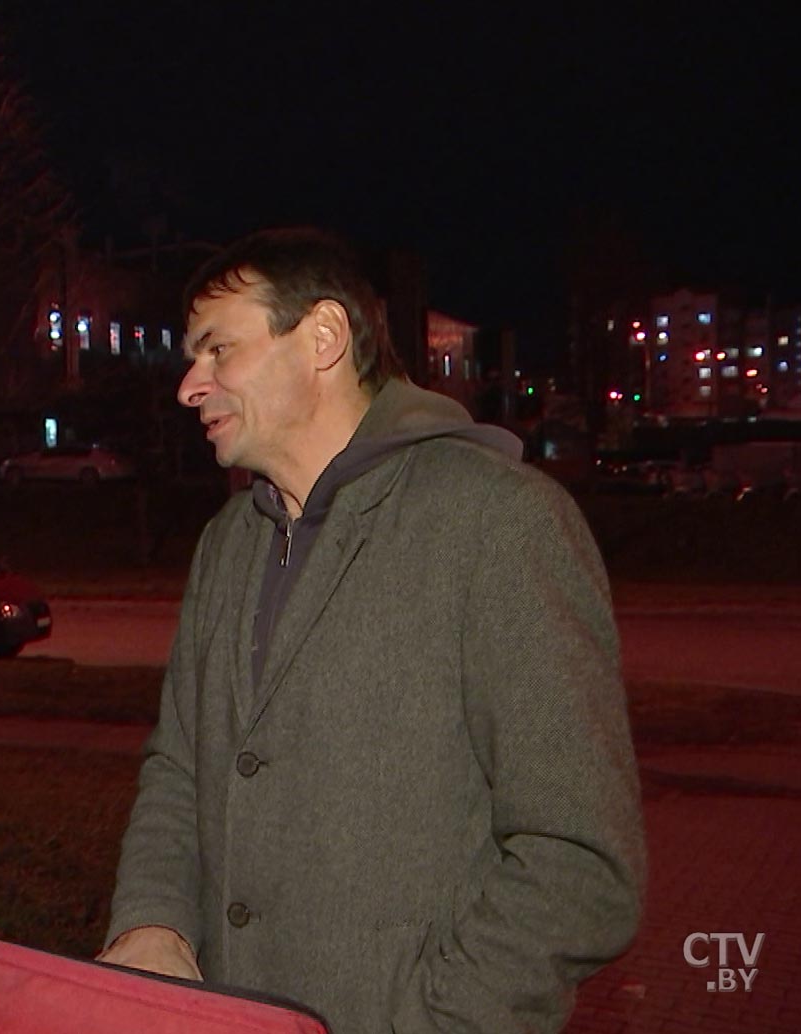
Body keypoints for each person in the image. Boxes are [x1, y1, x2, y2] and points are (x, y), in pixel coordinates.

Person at [99, 228, 644, 1033]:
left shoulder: (499, 521)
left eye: (218, 349)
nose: (190, 385)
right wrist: (152, 923)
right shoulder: (227, 545)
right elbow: (180, 768)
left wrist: (437, 1016)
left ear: (322, 338)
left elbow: (579, 860)